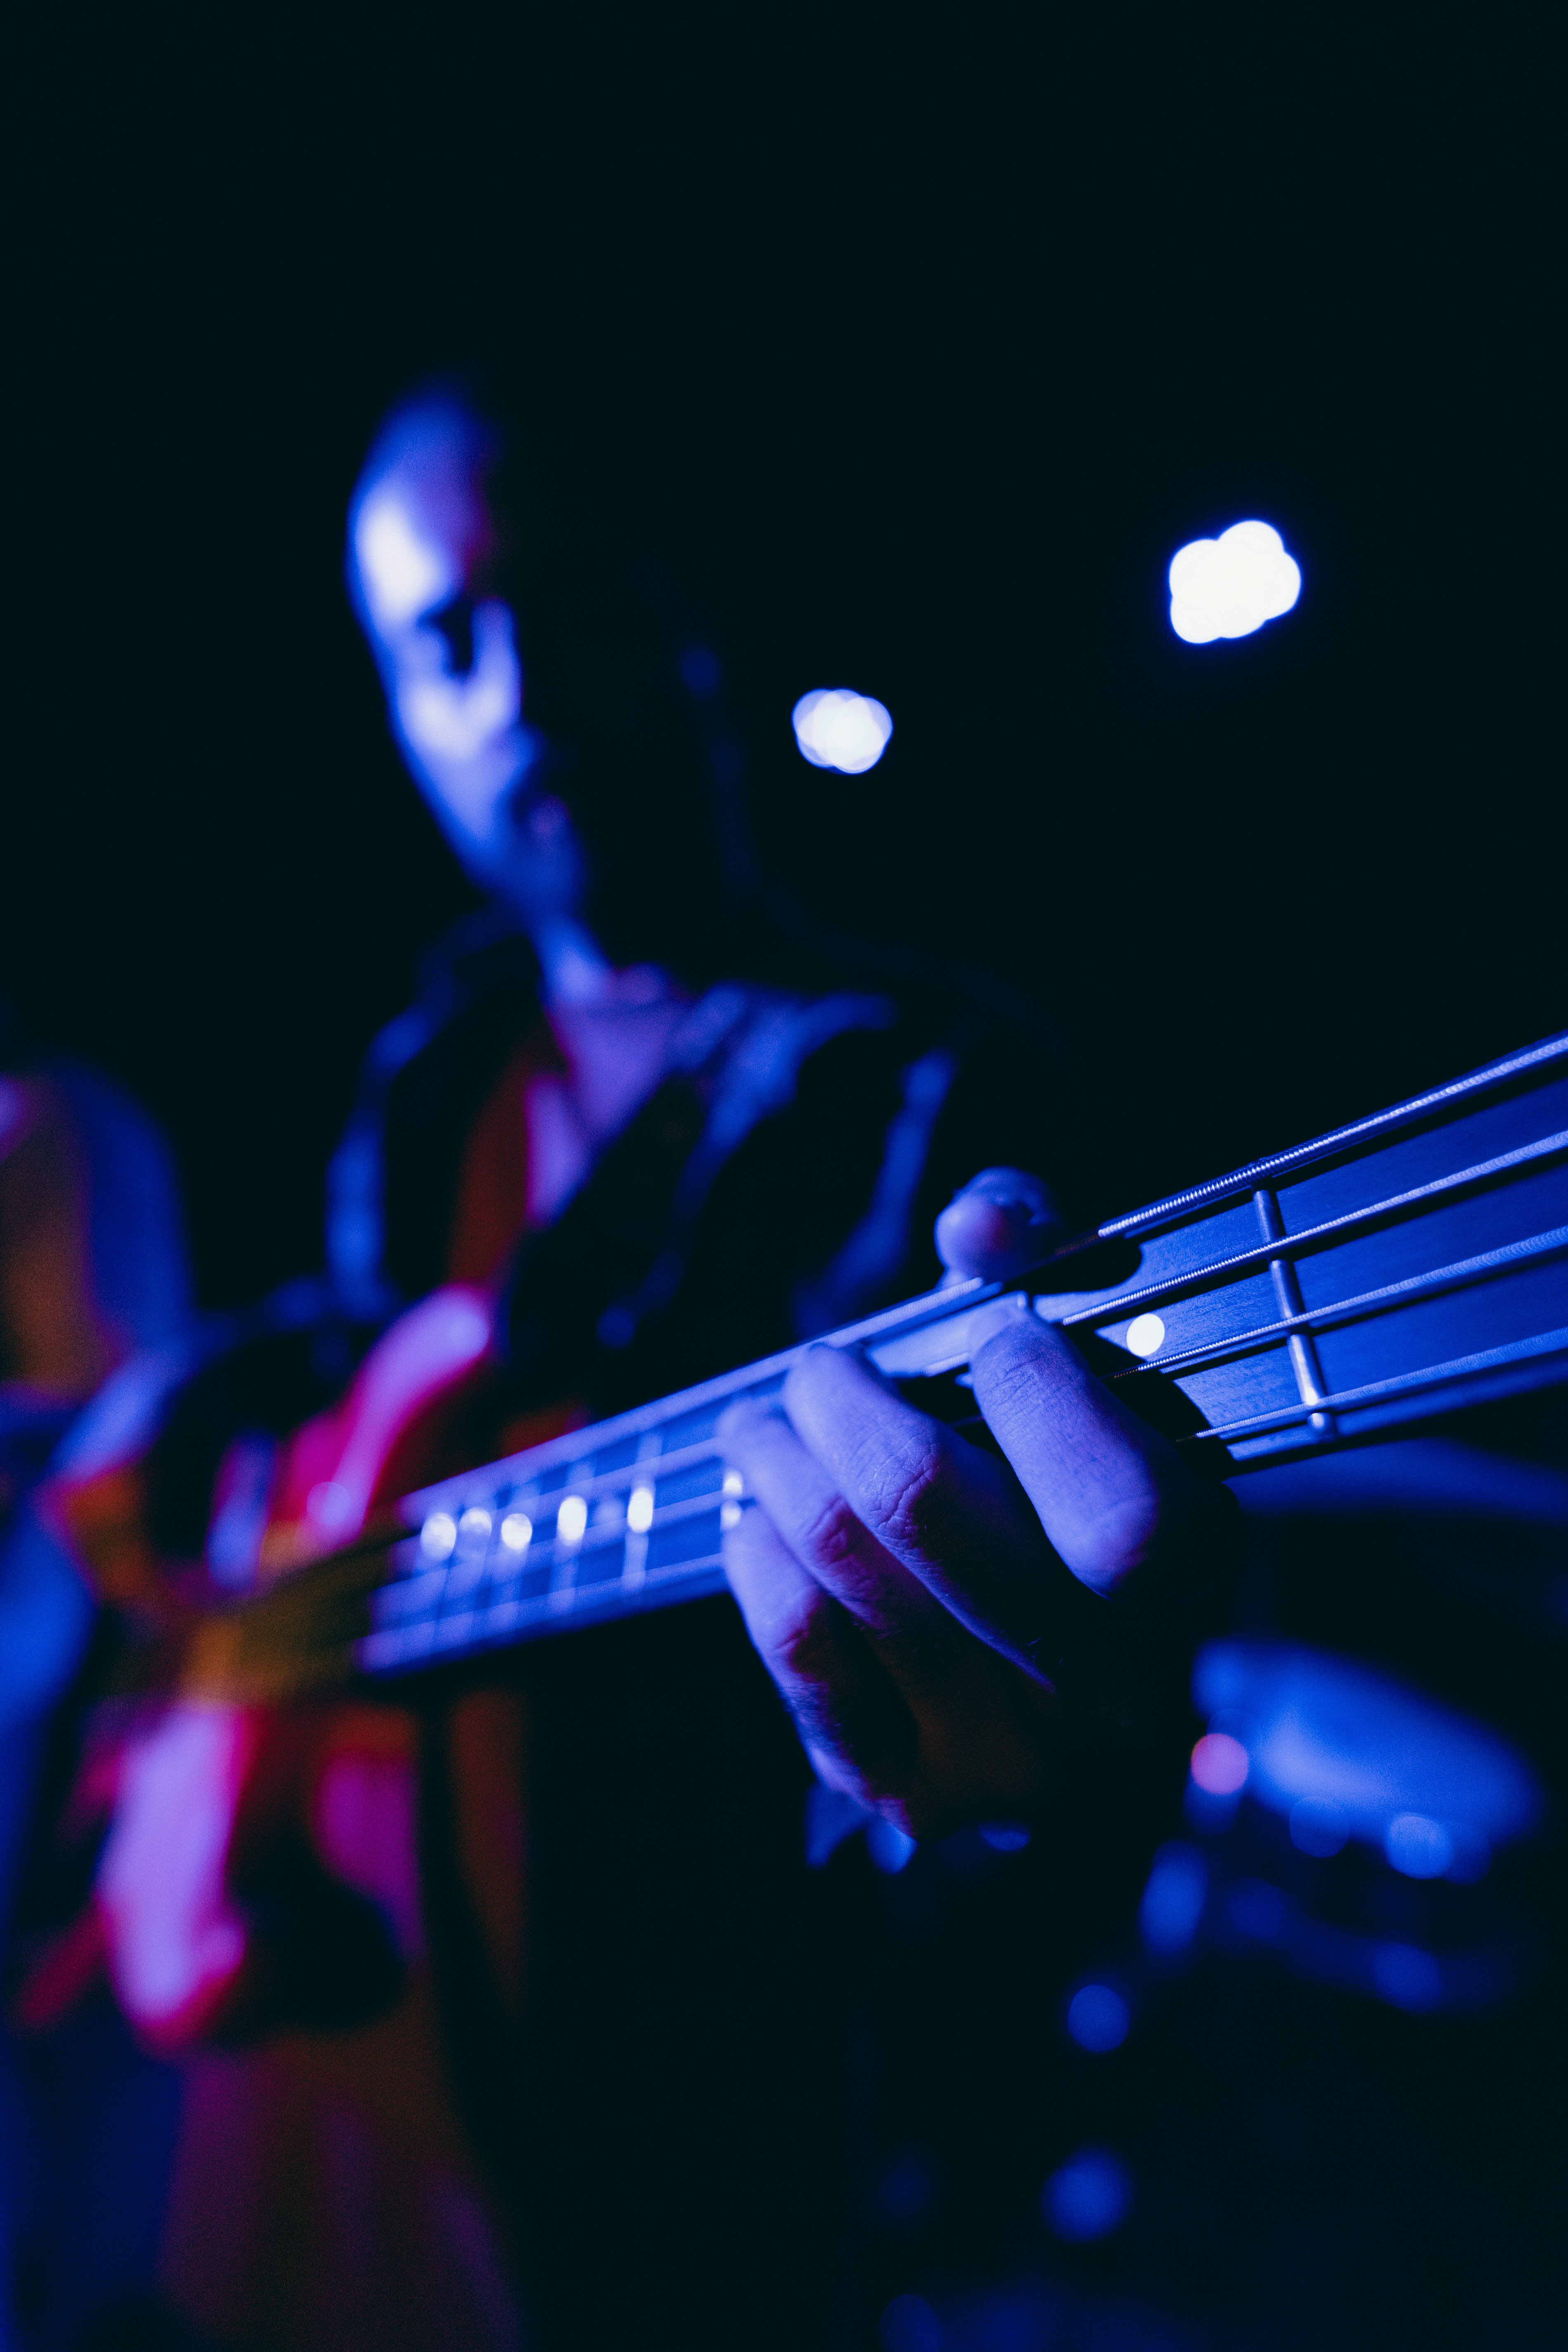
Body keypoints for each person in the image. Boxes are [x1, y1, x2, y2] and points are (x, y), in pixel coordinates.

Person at [39, 386, 1207, 2352]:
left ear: (678, 616)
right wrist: (200, 1398)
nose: (512, 694)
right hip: (386, 2035)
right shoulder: (432, 1067)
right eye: (442, 645)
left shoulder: (922, 1072)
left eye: (554, 603)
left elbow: (1055, 1722)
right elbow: (371, 1363)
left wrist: (1029, 1770)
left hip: (714, 2106)